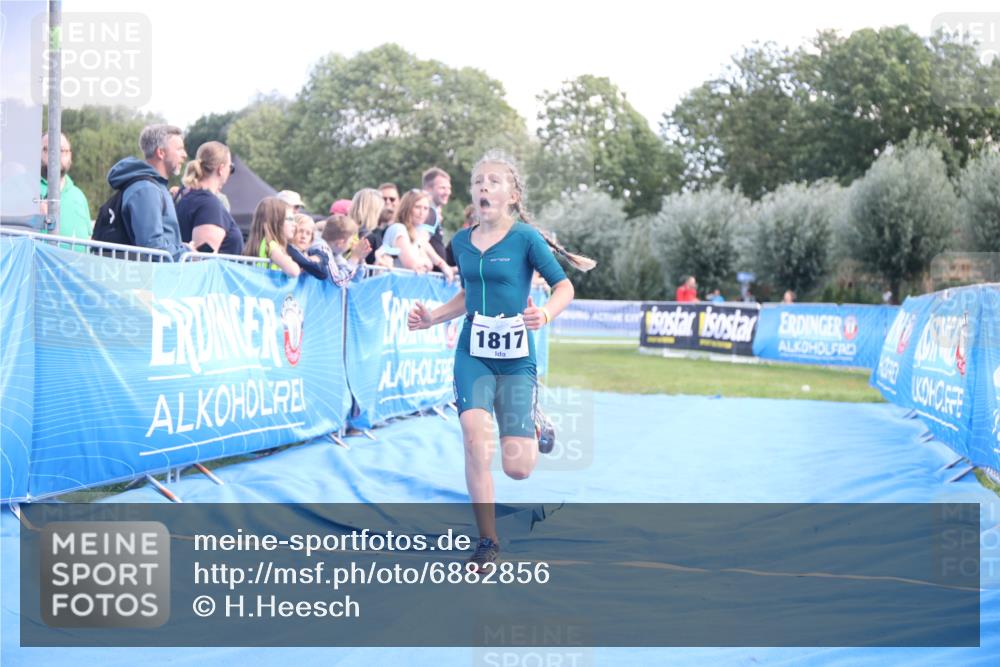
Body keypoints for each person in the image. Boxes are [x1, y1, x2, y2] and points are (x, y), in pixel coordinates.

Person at [407, 150, 595, 570]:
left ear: (512, 195)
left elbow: (564, 287)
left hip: (516, 357)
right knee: (475, 442)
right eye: (478, 181)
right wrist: (433, 317)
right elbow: (468, 293)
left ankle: (536, 420)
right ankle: (487, 541)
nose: (483, 187)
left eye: (493, 181)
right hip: (472, 353)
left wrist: (544, 314)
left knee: (518, 468)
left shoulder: (525, 238)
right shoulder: (461, 242)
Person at [105, 124, 188, 259]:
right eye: (179, 149)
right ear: (161, 153)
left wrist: (180, 248)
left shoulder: (153, 187)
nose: (184, 155)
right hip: (149, 272)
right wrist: (186, 252)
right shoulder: (147, 190)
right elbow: (152, 247)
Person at [175, 141, 243, 255]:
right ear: (221, 169)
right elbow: (203, 259)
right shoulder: (209, 206)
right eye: (231, 167)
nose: (230, 171)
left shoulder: (188, 198)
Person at [379, 189, 455, 280]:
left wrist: (446, 268)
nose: (422, 213)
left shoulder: (418, 233)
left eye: (425, 208)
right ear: (407, 208)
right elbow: (411, 264)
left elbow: (438, 261)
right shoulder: (398, 228)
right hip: (394, 285)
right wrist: (428, 263)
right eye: (417, 207)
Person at [243, 198, 327, 280]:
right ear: (276, 221)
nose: (295, 224)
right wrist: (292, 262)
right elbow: (294, 271)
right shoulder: (271, 245)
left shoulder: (266, 243)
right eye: (290, 219)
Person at [40, 132, 92, 249]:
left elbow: (89, 237)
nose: (56, 155)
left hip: (76, 261)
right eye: (49, 149)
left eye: (62, 150)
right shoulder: (28, 188)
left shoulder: (79, 195)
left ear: (70, 155)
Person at [313, 214, 372, 284]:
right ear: (340, 243)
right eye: (350, 242)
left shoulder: (335, 252)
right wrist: (354, 258)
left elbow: (355, 279)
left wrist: (360, 259)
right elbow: (338, 281)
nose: (352, 244)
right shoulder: (321, 249)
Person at [421, 167, 452, 265]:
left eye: (449, 188)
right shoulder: (429, 212)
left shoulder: (433, 212)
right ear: (428, 189)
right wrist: (442, 265)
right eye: (442, 188)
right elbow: (421, 242)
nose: (447, 192)